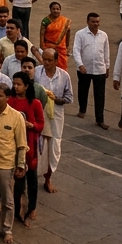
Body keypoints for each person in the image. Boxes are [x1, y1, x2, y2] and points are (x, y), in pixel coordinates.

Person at [35, 48, 73, 193]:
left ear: (56, 61)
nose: (46, 62)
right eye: (44, 59)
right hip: (39, 112)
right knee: (38, 144)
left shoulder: (64, 76)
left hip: (56, 114)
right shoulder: (37, 72)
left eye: (49, 60)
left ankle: (48, 178)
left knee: (54, 145)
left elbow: (69, 97)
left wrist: (55, 99)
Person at [8, 73, 44, 227]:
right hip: (13, 145)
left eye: (19, 84)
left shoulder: (35, 103)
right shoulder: (10, 101)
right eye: (14, 84)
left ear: (26, 86)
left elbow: (40, 125)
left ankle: (32, 207)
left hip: (30, 145)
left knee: (32, 179)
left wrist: (31, 125)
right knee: (17, 181)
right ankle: (18, 210)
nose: (16, 87)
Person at [73, 12, 110, 129]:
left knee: (100, 95)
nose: (95, 24)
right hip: (85, 69)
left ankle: (100, 119)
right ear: (87, 22)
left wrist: (107, 66)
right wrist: (80, 65)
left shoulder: (103, 35)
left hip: (100, 69)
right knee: (83, 90)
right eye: (93, 22)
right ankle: (82, 109)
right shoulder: (80, 34)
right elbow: (76, 50)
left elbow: (106, 52)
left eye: (97, 22)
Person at [39, 2, 71, 70]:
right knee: (49, 65)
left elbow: (68, 33)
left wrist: (67, 47)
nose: (56, 11)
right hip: (49, 46)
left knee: (62, 67)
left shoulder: (65, 21)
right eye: (53, 9)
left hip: (61, 48)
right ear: (50, 9)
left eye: (57, 9)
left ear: (60, 10)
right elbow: (42, 34)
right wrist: (42, 47)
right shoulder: (46, 21)